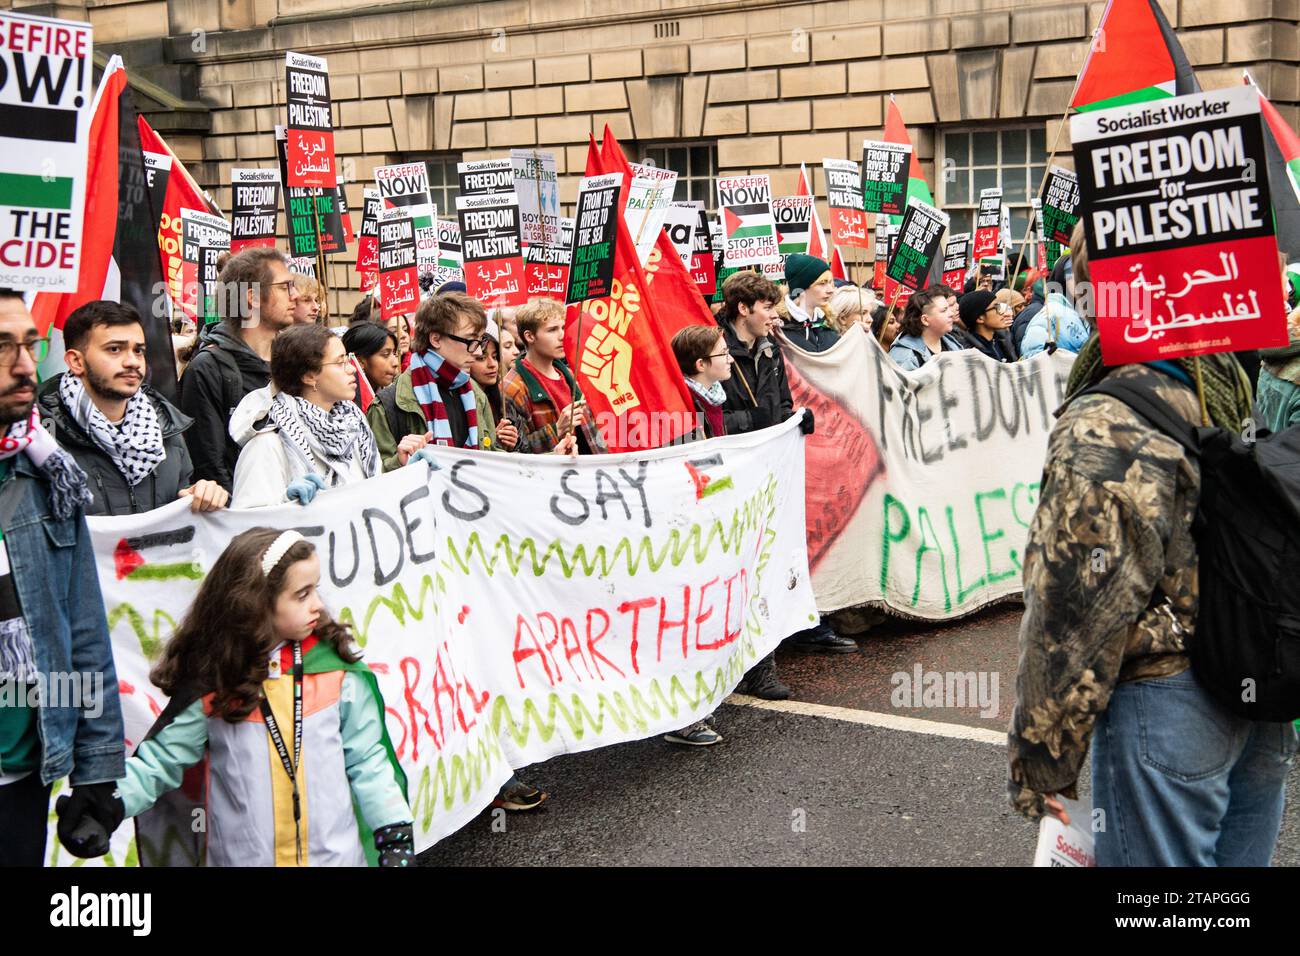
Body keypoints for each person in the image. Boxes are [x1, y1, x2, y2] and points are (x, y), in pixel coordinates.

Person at [1007, 223, 1296, 866]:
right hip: (1255, 680)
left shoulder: (1105, 419)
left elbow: (1073, 609)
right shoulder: (1226, 371)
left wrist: (1045, 756)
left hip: (1170, 701)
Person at [60, 528, 415, 866]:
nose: (318, 605)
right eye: (302, 594)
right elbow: (160, 763)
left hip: (336, 859)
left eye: (316, 589)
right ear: (257, 603)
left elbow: (369, 761)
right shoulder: (216, 684)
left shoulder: (335, 673)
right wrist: (106, 804)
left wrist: (394, 833)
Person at [0, 289, 125, 866]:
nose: (25, 365)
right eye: (2, 347)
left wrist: (96, 774)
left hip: (22, 773)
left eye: (29, 344)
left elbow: (82, 627)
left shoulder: (47, 474)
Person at [716, 272, 850, 696]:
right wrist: (749, 423)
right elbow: (701, 414)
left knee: (768, 565)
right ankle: (733, 664)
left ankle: (761, 665)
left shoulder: (770, 348)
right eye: (767, 307)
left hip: (770, 472)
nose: (774, 313)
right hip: (730, 476)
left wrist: (793, 419)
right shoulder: (716, 349)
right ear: (743, 309)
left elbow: (782, 400)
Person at [38, 301, 228, 516]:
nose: (132, 362)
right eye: (114, 349)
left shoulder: (165, 430)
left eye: (138, 351)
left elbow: (180, 507)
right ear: (76, 361)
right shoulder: (42, 438)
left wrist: (202, 496)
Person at [659, 324, 736, 748]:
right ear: (701, 364)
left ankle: (699, 702)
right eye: (722, 354)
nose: (729, 359)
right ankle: (683, 715)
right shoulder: (682, 402)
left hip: (709, 512)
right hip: (687, 522)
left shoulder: (716, 397)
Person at [179, 248, 298, 492]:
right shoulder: (207, 369)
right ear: (252, 297)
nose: (295, 295)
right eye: (285, 286)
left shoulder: (294, 362)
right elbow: (210, 470)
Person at [229, 324, 380, 510]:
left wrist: (406, 470)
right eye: (340, 362)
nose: (352, 370)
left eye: (348, 360)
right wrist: (285, 501)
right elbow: (245, 527)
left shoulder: (355, 427)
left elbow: (373, 493)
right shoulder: (267, 444)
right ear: (309, 376)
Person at [367, 293, 503, 471]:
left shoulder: (475, 393)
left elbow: (491, 463)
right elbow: (373, 479)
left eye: (481, 340)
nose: (478, 351)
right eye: (471, 340)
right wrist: (400, 462)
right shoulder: (387, 405)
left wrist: (548, 460)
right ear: (436, 339)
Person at [502, 297, 603, 455]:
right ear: (530, 336)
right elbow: (515, 453)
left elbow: (595, 434)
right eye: (552, 330)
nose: (562, 335)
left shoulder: (570, 375)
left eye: (563, 327)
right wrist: (557, 429)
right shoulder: (512, 387)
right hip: (550, 477)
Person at [468, 316, 520, 451]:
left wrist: (514, 441)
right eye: (481, 358)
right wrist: (492, 442)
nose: (492, 364)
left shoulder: (503, 398)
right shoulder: (466, 402)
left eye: (495, 356)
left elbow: (524, 449)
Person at [887, 288, 965, 370]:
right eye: (944, 310)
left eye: (948, 308)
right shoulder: (905, 357)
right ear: (925, 320)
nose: (951, 314)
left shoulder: (952, 344)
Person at [777, 253, 839, 352]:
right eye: (822, 283)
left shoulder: (829, 323)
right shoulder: (778, 329)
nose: (830, 290)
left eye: (830, 282)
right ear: (801, 287)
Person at [342, 320, 401, 396]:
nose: (396, 363)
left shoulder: (395, 396)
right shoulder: (344, 401)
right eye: (385, 354)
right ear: (359, 361)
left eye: (394, 354)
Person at [958, 290, 1017, 363]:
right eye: (996, 307)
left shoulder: (1003, 339)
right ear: (980, 318)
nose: (1003, 312)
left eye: (1000, 306)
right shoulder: (970, 354)